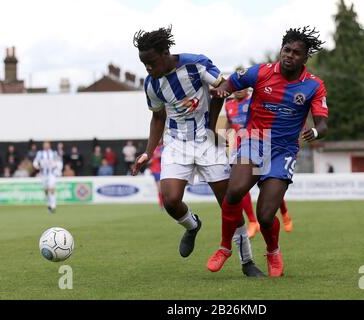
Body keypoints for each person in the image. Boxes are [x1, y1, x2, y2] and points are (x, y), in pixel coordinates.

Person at [131, 26, 263, 277]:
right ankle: (192, 226)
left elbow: (221, 88)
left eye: (151, 62)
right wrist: (148, 152)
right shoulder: (152, 84)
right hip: (176, 144)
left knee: (228, 204)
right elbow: (158, 118)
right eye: (143, 64)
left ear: (165, 52)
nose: (147, 69)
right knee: (170, 200)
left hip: (206, 141)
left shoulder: (196, 65)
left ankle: (247, 262)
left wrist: (214, 124)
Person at [207, 26, 328, 277]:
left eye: (296, 53)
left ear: (305, 58)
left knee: (264, 215)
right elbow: (231, 82)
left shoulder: (314, 86)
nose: (289, 55)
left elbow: (323, 122)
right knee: (235, 190)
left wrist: (315, 132)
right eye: (286, 50)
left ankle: (273, 251)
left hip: (283, 150)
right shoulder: (261, 71)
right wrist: (223, 89)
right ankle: (224, 247)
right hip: (255, 140)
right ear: (280, 50)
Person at [225, 87, 293, 238]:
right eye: (236, 88)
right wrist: (225, 138)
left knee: (269, 183)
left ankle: (284, 212)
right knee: (239, 185)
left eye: (242, 88)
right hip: (241, 147)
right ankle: (252, 221)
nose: (238, 91)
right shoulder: (228, 105)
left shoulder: (254, 100)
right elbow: (229, 123)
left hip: (261, 144)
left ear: (248, 90)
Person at [33, 141, 63, 213]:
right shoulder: (40, 153)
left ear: (49, 146)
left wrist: (58, 169)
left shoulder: (54, 153)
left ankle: (53, 206)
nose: (46, 146)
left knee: (51, 188)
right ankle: (49, 205)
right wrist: (36, 166)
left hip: (51, 174)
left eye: (47, 145)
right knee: (46, 190)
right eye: (44, 145)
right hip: (43, 174)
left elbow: (59, 162)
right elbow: (35, 161)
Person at [149, 141, 164, 210]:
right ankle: (161, 205)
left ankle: (164, 205)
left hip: (164, 169)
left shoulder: (163, 147)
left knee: (164, 189)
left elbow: (160, 155)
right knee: (160, 189)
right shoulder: (153, 149)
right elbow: (150, 160)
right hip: (156, 171)